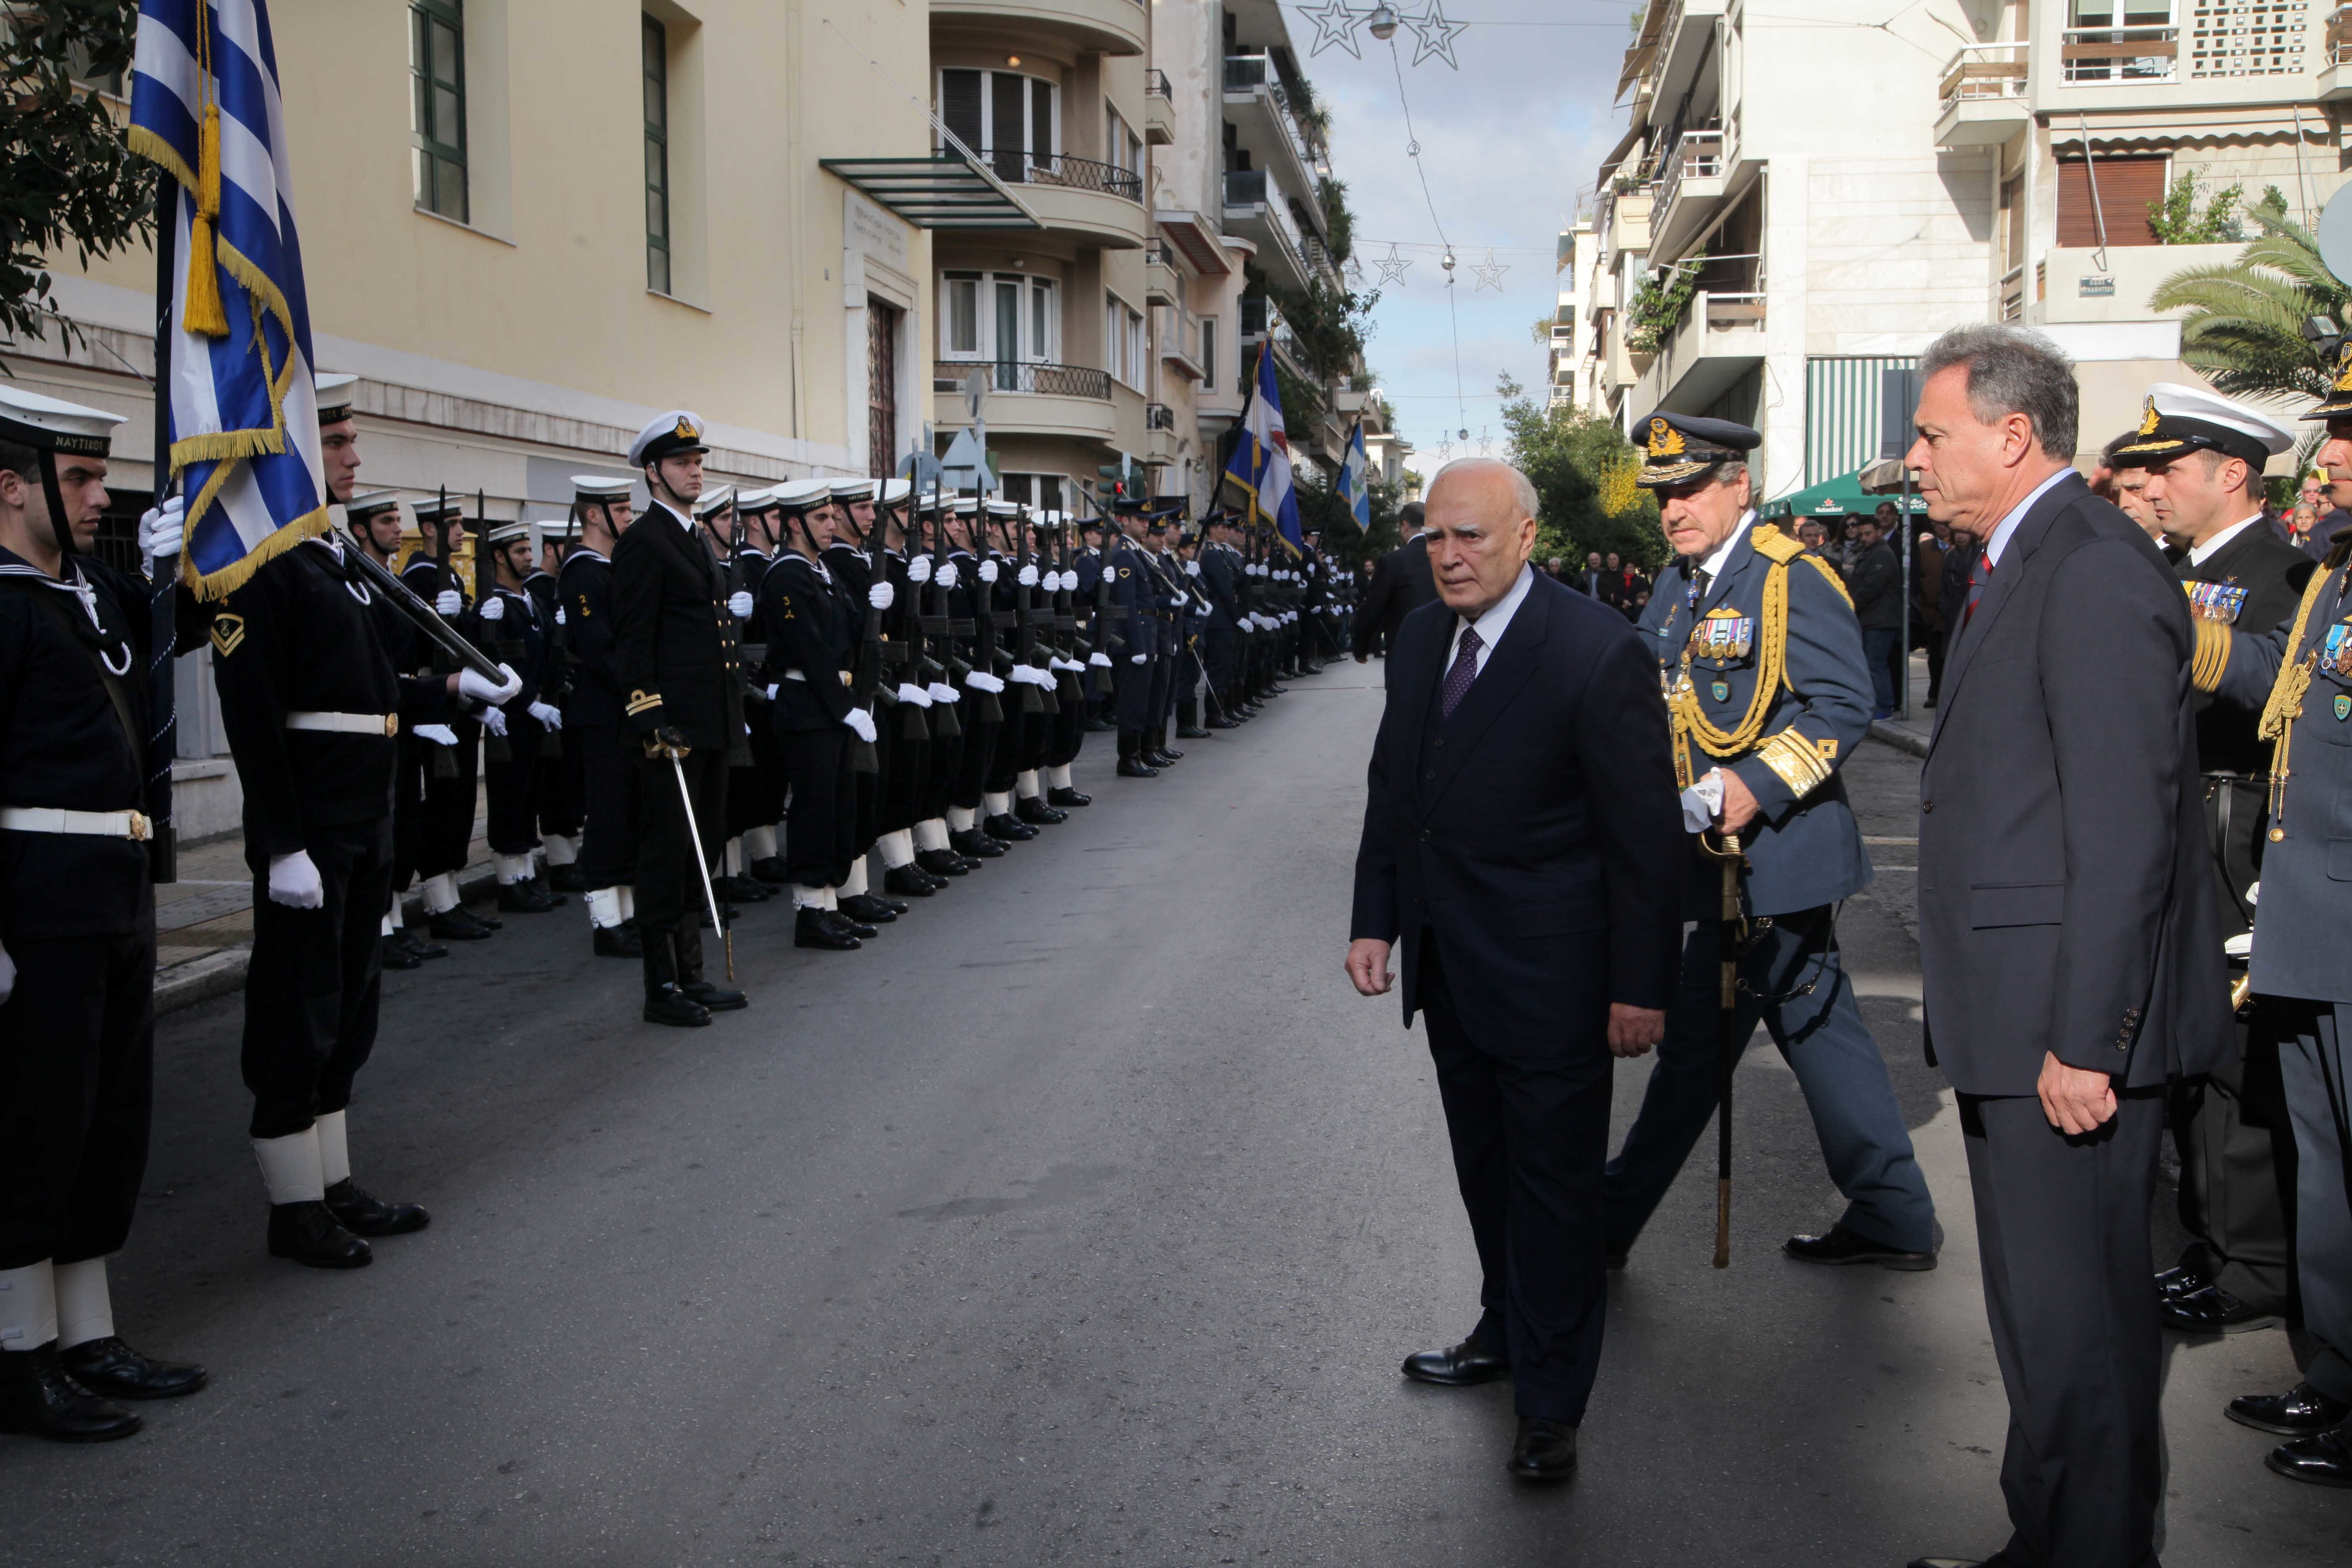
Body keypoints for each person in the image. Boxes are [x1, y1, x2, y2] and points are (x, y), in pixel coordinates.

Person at [1903, 324, 2228, 1568]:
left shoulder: (2089, 566)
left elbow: (2124, 827)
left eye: (1933, 435)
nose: (1916, 459)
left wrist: (2088, 1041)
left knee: (2083, 1338)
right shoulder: (2026, 553)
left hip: (2069, 1038)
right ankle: (2044, 1540)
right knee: (2042, 1330)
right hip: (2019, 1021)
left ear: (2012, 433)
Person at [1345, 457, 1682, 1483]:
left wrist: (1641, 985)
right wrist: (1376, 919)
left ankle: (1549, 1403)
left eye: (1472, 537)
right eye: (1434, 538)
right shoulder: (1417, 639)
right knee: (1486, 1175)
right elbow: (1396, 790)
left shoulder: (1593, 649)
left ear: (1526, 536)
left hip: (1554, 981)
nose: (1448, 556)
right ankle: (1503, 1328)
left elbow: (1643, 837)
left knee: (1553, 1193)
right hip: (1451, 968)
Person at [1604, 413, 1938, 1272]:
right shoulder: (1680, 586)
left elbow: (1841, 706)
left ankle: (1604, 1226)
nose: (1673, 509)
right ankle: (1895, 1212)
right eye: (1663, 495)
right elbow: (1653, 695)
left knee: (1693, 1045)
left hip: (1771, 862)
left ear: (1738, 486)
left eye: (1689, 490)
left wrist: (1752, 784)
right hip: (1712, 857)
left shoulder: (1790, 577)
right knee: (1820, 1023)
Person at [208, 375, 523, 1269]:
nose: (352, 458)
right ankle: (292, 1206)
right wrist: (281, 844)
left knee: (348, 1012)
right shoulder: (262, 560)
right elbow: (252, 714)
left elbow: (375, 692)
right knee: (296, 1014)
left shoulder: (333, 559)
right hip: (311, 818)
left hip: (364, 809)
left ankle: (333, 1179)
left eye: (350, 442)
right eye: (336, 443)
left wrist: (456, 688)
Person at [0, 387, 207, 1442]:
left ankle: (87, 1333)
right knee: (34, 1130)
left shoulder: (87, 595)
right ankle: (18, 1353)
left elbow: (188, 631)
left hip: (113, 891)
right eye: (77, 479)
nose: (99, 496)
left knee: (104, 1126)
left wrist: (179, 565)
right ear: (10, 485)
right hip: (37, 898)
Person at [2111, 384, 2308, 1337]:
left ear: (2233, 474)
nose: (2155, 483)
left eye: (2172, 467)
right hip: (2176, 816)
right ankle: (2207, 1242)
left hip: (2229, 821)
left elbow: (2266, 692)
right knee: (2184, 1048)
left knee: (2227, 1049)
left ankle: (2251, 1265)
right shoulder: (2184, 565)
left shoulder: (2282, 570)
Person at [2194, 341, 2352, 1487]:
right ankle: (2336, 1378)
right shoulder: (2337, 579)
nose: (2331, 459)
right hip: (2309, 916)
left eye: (2345, 442)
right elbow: (2281, 700)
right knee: (2327, 1176)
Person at [611, 411, 749, 1023]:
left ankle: (693, 974)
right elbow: (633, 643)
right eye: (681, 464)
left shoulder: (694, 536)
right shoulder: (645, 541)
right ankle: (661, 986)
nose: (695, 472)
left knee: (703, 849)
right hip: (672, 732)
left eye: (698, 462)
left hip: (710, 723)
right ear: (653, 473)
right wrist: (651, 718)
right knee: (667, 854)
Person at [758, 478, 878, 949]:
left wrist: (873, 608)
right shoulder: (787, 575)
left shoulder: (819, 572)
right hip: (808, 707)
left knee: (836, 808)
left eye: (832, 517)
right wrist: (844, 707)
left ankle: (828, 904)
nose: (832, 526)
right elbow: (808, 649)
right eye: (821, 519)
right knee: (812, 810)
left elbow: (844, 639)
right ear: (794, 524)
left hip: (828, 705)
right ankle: (810, 913)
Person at [342, 487, 446, 974]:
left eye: (396, 520)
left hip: (404, 715)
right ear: (360, 529)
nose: (395, 529)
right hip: (377, 719)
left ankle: (394, 923)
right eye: (385, 521)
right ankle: (379, 930)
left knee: (403, 825)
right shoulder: (359, 580)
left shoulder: (390, 579)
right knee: (384, 823)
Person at [401, 496, 495, 942]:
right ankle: (439, 902)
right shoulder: (418, 576)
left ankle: (452, 899)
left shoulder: (452, 575)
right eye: (452, 524)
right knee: (439, 809)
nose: (461, 531)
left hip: (457, 707)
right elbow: (411, 645)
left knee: (458, 808)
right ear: (429, 530)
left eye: (461, 523)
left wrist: (474, 619)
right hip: (432, 707)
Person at [558, 476, 642, 959]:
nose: (629, 517)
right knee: (607, 817)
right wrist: (639, 689)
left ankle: (625, 915)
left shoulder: (610, 568)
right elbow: (601, 650)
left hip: (621, 711)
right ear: (595, 515)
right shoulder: (583, 573)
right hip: (603, 713)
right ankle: (606, 923)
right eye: (622, 509)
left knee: (625, 816)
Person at [473, 519, 568, 916]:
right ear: (498, 557)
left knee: (528, 795)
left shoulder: (528, 601)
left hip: (534, 717)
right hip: (509, 718)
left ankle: (526, 877)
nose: (529, 558)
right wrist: (529, 702)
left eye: (530, 551)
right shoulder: (494, 605)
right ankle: (510, 884)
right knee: (509, 798)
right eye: (519, 552)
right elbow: (494, 664)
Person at [1350, 502, 1434, 669]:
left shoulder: (1392, 561)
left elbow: (1373, 609)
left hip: (1404, 654)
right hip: (1443, 652)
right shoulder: (1444, 556)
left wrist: (1361, 647)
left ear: (1405, 526)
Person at [1840, 515, 1903, 717]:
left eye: (1868, 534)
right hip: (1871, 619)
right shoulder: (1869, 553)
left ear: (1878, 532)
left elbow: (1871, 588)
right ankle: (1877, 707)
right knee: (1871, 665)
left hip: (1881, 620)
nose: (1864, 538)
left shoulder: (1882, 554)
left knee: (1876, 666)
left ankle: (1883, 709)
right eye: (1861, 535)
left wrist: (1851, 606)